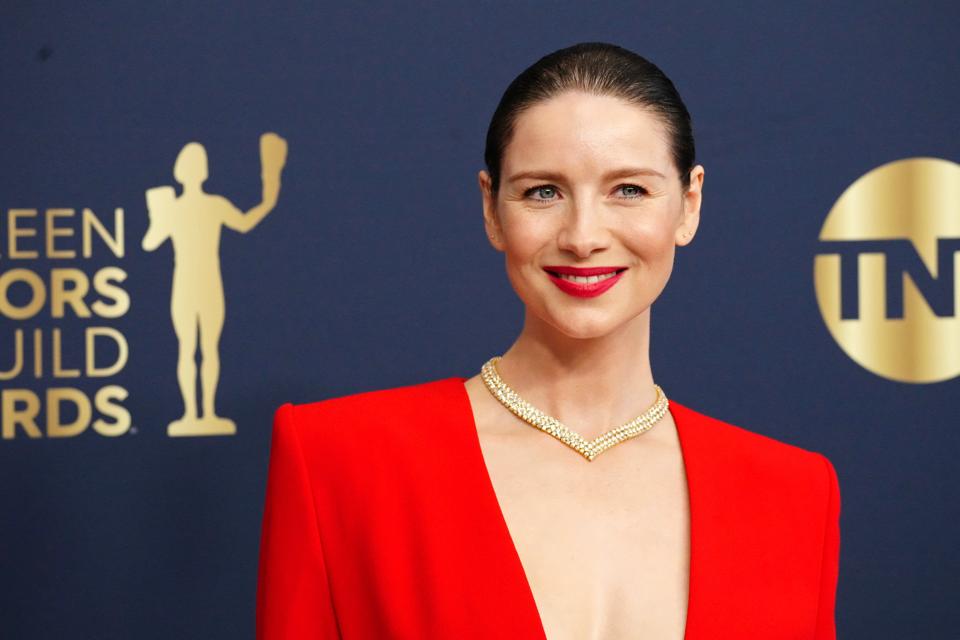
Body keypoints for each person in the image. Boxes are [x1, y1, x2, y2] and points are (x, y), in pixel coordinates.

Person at [256, 42, 840, 639]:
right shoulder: (338, 461)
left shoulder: (795, 495)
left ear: (689, 205)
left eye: (629, 190)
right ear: (492, 209)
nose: (583, 237)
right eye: (543, 192)